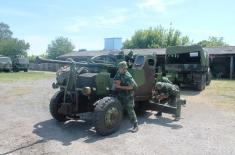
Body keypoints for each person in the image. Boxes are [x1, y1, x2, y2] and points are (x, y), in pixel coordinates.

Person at [114, 61, 139, 133]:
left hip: (129, 93)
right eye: (118, 68)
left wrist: (120, 86)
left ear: (124, 69)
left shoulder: (128, 76)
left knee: (129, 108)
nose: (118, 69)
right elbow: (115, 79)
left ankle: (135, 125)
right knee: (117, 105)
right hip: (121, 92)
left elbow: (131, 87)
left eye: (120, 68)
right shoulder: (119, 72)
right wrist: (116, 82)